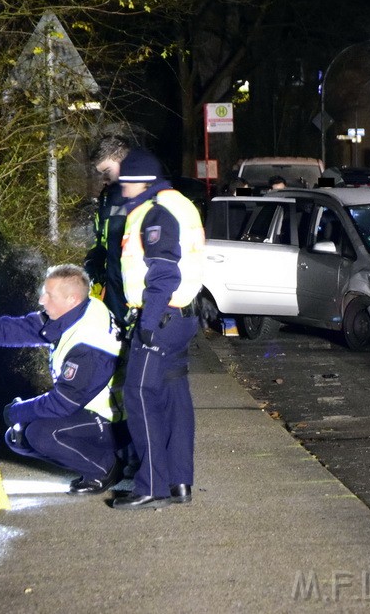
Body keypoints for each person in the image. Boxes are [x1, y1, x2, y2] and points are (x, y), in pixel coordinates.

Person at [0, 265, 126, 495]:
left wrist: (17, 411)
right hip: (88, 410)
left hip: (112, 420)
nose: (41, 300)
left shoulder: (89, 345)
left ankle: (106, 468)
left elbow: (62, 403)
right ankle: (98, 460)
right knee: (18, 437)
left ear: (72, 299)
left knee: (40, 434)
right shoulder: (80, 311)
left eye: (49, 295)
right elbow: (22, 328)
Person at [112, 149, 205, 510]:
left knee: (139, 395)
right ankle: (180, 481)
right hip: (181, 316)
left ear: (142, 182)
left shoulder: (156, 213)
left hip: (160, 317)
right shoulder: (179, 203)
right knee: (175, 400)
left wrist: (147, 324)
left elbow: (165, 271)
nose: (121, 190)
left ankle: (152, 485)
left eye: (125, 182)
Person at [85, 134, 135, 324]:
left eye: (107, 170)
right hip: (112, 286)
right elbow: (104, 237)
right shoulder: (109, 196)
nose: (104, 179)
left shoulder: (140, 194)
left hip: (131, 292)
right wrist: (96, 257)